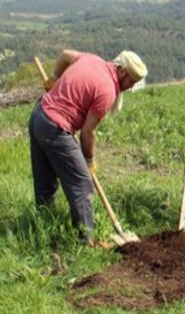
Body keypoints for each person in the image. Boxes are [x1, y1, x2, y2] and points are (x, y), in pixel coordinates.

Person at [28, 49, 147, 245]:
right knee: (82, 184)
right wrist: (89, 160)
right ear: (123, 72)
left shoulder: (93, 60)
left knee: (45, 184)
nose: (130, 87)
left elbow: (65, 54)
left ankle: (43, 231)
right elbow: (87, 132)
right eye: (131, 82)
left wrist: (54, 78)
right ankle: (85, 243)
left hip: (39, 116)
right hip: (55, 128)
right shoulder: (107, 90)